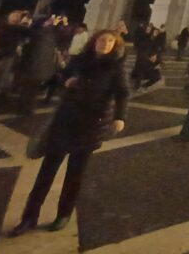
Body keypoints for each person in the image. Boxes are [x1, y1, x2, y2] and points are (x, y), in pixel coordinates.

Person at [8, 30, 128, 236]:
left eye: (110, 41)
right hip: (65, 121)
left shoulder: (116, 68)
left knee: (75, 176)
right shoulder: (79, 60)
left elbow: (122, 93)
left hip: (90, 126)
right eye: (102, 40)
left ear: (115, 46)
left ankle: (63, 214)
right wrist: (65, 82)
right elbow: (60, 77)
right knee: (45, 173)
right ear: (94, 42)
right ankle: (29, 218)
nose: (105, 44)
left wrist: (120, 117)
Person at [17, 18, 58, 116]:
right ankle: (26, 108)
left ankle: (25, 108)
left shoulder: (39, 34)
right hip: (37, 66)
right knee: (31, 89)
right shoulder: (47, 35)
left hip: (35, 66)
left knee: (29, 89)